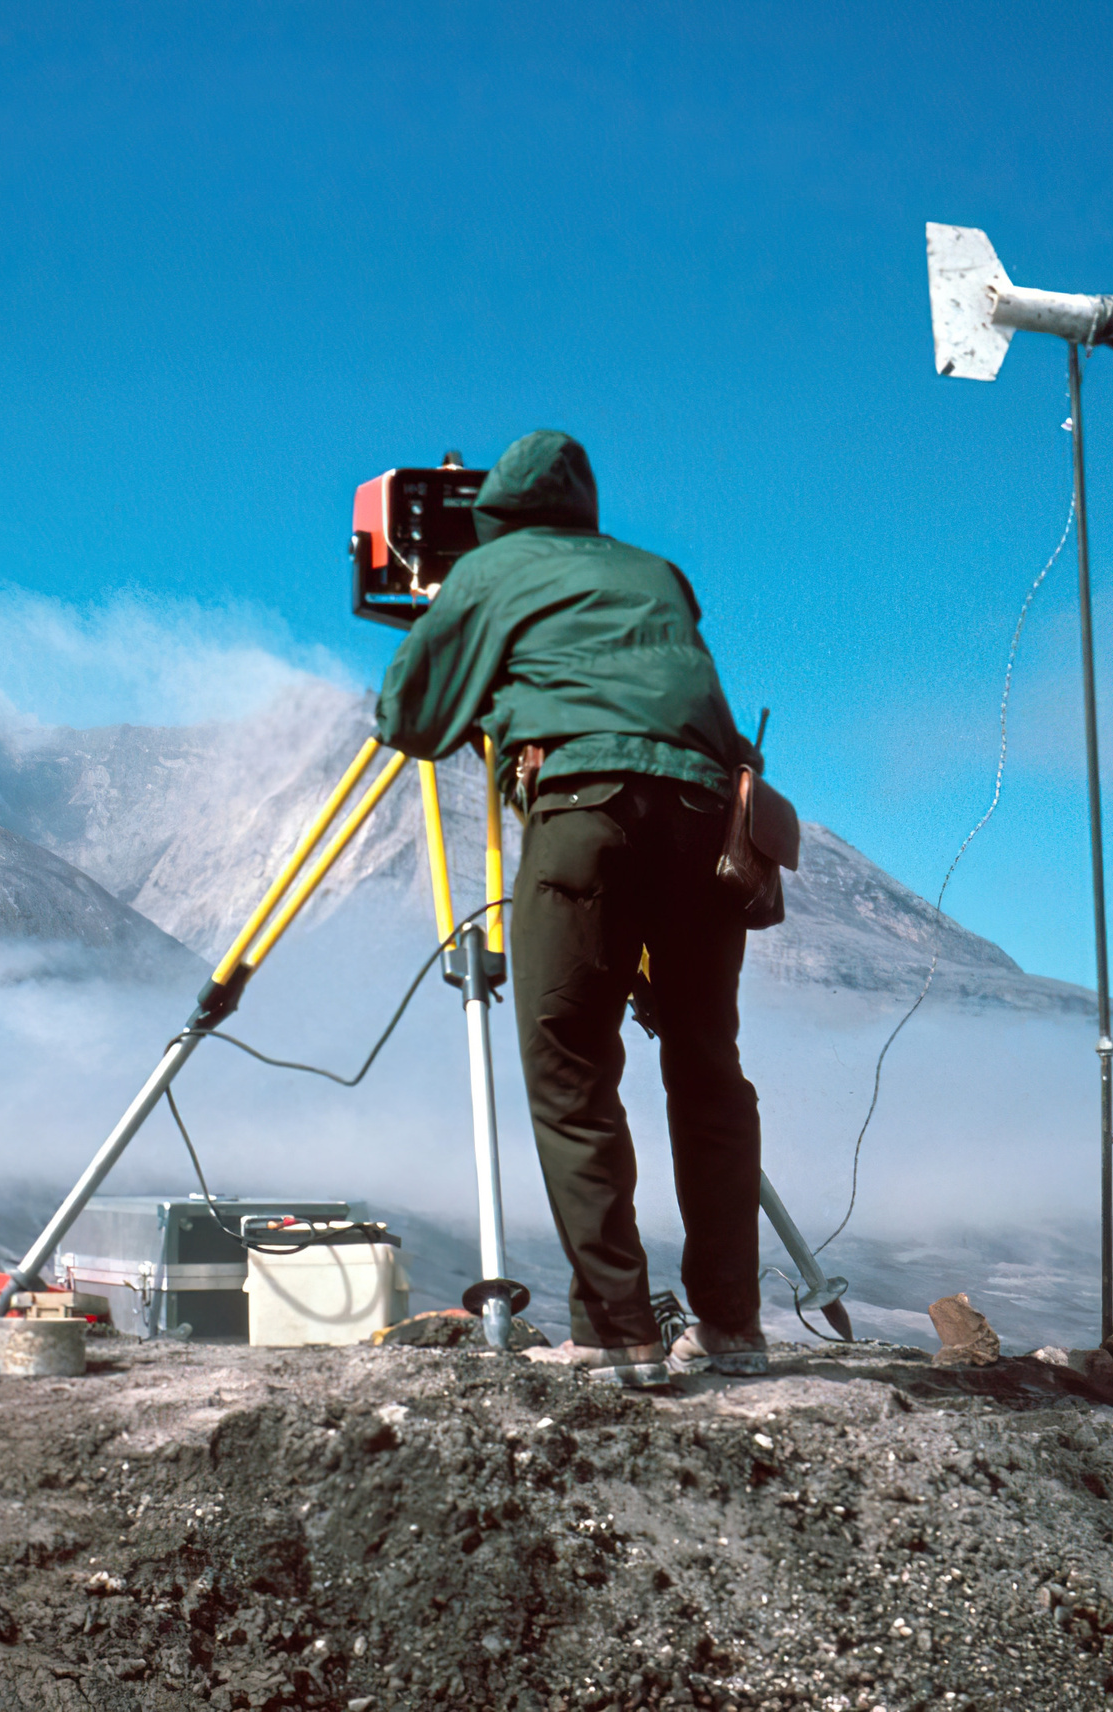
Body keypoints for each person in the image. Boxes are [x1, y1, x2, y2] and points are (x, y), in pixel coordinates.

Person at [373, 428, 769, 1384]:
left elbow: (410, 720)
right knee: (708, 1068)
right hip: (708, 820)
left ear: (496, 515)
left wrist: (457, 628)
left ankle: (618, 1328)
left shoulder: (492, 569)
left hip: (589, 813)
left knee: (571, 1068)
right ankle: (731, 1327)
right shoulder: (657, 574)